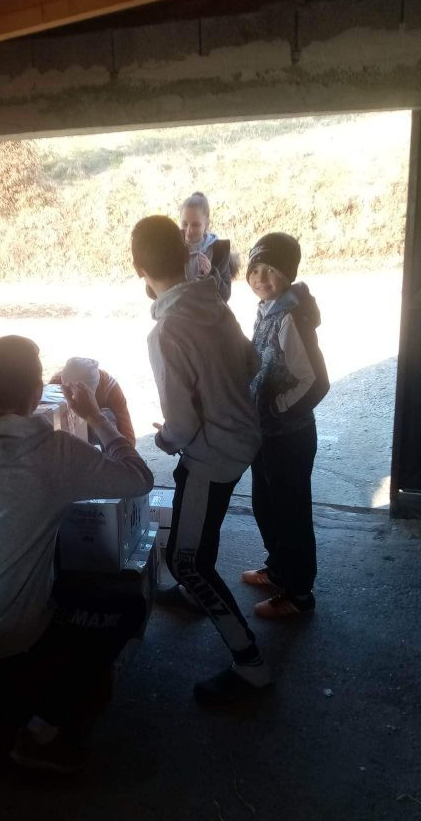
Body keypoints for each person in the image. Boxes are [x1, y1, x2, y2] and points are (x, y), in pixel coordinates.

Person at [0, 335, 153, 772]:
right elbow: (139, 479)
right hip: (9, 631)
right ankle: (42, 732)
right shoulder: (56, 451)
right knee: (128, 608)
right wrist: (96, 417)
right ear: (37, 391)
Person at [131, 215, 269, 707]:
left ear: (139, 268)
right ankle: (193, 597)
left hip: (212, 454)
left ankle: (251, 665)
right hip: (243, 438)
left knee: (186, 561)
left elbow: (183, 426)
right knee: (200, 536)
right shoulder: (213, 300)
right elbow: (252, 362)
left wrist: (165, 439)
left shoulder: (165, 331)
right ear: (185, 254)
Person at [242, 232, 329, 619]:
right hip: (265, 433)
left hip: (289, 437)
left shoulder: (291, 317)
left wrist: (277, 407)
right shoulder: (267, 309)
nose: (261, 278)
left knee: (291, 513)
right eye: (255, 269)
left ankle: (298, 593)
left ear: (288, 274)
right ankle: (278, 569)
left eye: (271, 270)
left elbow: (316, 381)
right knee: (266, 503)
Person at [49, 357, 136, 446]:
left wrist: (97, 419)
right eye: (69, 393)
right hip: (72, 432)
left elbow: (128, 439)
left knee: (108, 415)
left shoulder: (110, 389)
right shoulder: (55, 385)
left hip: (97, 426)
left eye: (81, 396)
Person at [180, 191, 233, 300]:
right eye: (185, 224)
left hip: (207, 310)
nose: (189, 231)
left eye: (195, 225)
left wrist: (212, 274)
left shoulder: (219, 251)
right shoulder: (171, 247)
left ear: (207, 224)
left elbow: (225, 295)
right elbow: (152, 292)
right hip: (177, 310)